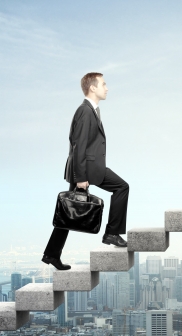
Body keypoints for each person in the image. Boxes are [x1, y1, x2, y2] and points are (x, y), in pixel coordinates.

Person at [42, 72, 129, 270]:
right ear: (92, 88)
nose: (107, 88)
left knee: (69, 210)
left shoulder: (91, 110)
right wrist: (80, 177)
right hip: (86, 169)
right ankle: (111, 234)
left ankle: (51, 255)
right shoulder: (85, 111)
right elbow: (78, 145)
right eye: (104, 84)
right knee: (122, 187)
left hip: (88, 167)